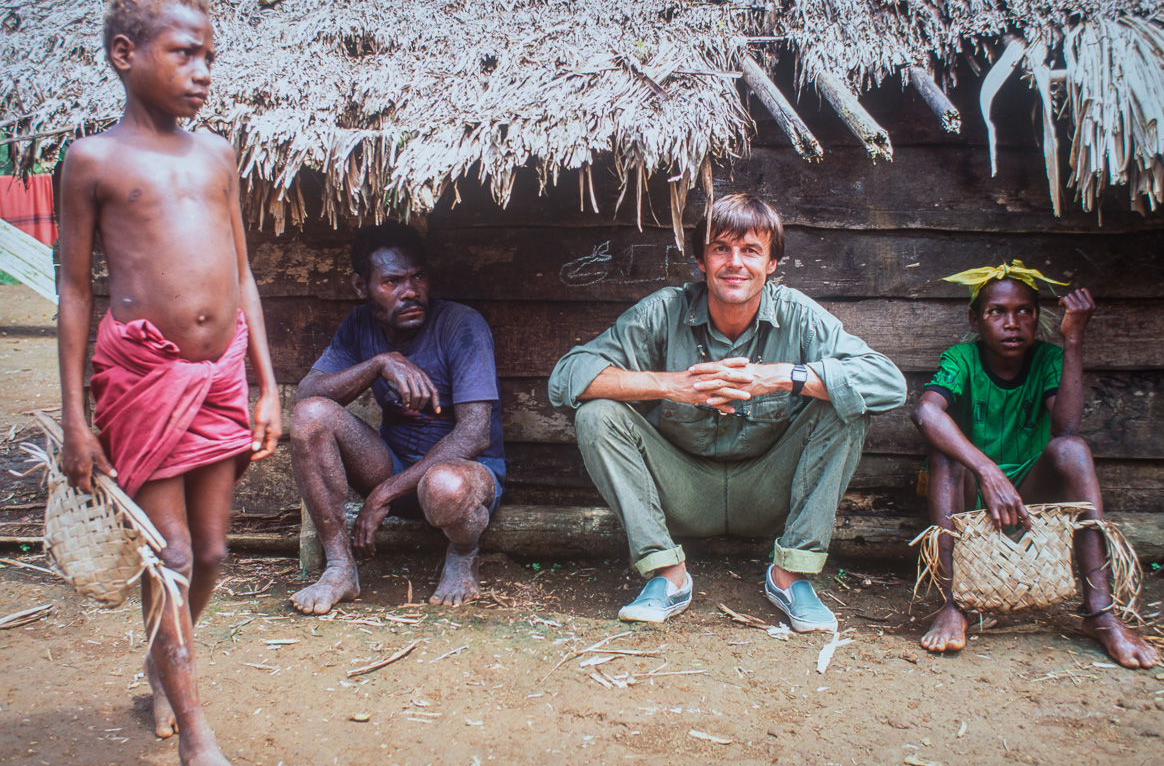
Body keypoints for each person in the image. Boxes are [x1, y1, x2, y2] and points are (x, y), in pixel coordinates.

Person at [57, 0, 282, 763]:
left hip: (219, 373)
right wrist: (77, 421)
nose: (203, 73)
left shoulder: (217, 155)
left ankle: (162, 661)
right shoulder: (92, 161)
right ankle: (195, 730)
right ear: (125, 55)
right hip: (142, 372)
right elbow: (76, 291)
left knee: (213, 553)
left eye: (209, 58)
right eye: (184, 55)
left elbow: (244, 273)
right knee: (174, 554)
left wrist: (268, 385)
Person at [548, 193, 907, 630]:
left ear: (772, 263)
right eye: (721, 248)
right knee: (597, 413)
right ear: (702, 260)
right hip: (680, 492)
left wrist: (781, 376)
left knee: (845, 403)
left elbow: (888, 384)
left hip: (768, 491)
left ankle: (791, 575)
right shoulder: (665, 310)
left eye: (751, 250)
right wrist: (673, 385)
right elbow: (566, 377)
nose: (734, 262)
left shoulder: (797, 315)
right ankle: (666, 573)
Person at [911, 261, 1158, 669]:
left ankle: (1100, 612)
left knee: (1072, 449)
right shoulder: (962, 358)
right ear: (975, 319)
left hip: (1029, 497)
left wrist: (1074, 339)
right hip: (971, 497)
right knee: (945, 454)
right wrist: (988, 472)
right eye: (997, 312)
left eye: (1024, 311)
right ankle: (954, 604)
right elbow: (925, 413)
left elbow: (1066, 427)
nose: (1012, 323)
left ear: (1037, 318)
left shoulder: (1047, 358)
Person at [289, 221, 505, 615]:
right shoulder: (360, 325)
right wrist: (377, 364)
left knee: (444, 486)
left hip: (463, 478)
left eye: (418, 277)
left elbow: (474, 435)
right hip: (393, 467)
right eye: (392, 281)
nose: (411, 291)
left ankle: (463, 552)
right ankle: (340, 569)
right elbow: (306, 393)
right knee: (309, 416)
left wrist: (384, 494)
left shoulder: (460, 325)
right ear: (361, 287)